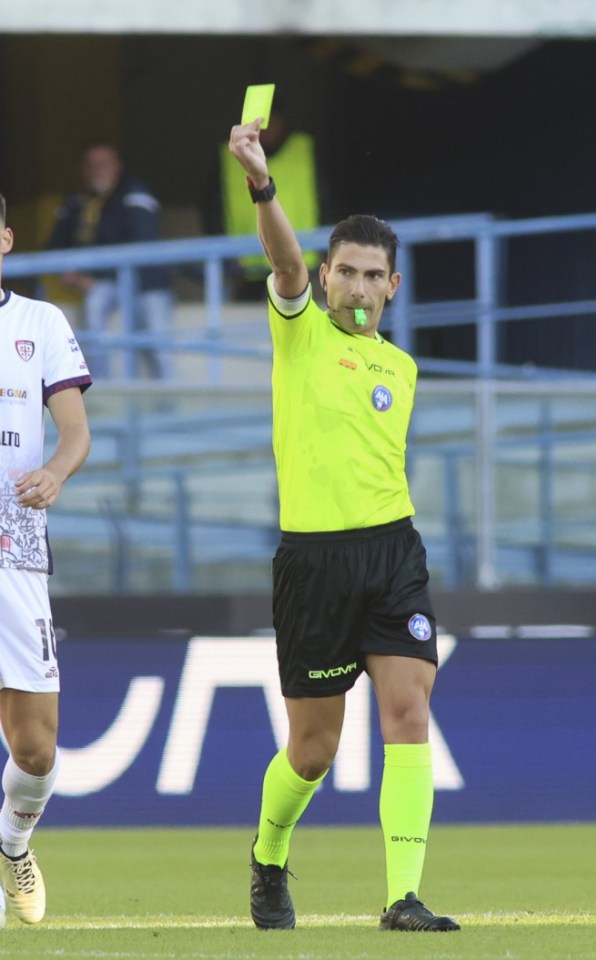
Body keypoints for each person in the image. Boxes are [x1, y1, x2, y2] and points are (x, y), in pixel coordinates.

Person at [228, 118, 460, 934]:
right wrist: (262, 183)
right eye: (346, 273)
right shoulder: (297, 334)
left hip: (393, 552)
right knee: (313, 752)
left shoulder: (402, 366)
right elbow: (281, 260)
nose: (358, 288)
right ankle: (267, 856)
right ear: (324, 278)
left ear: (392, 287)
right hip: (314, 564)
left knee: (408, 712)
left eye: (373, 277)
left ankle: (403, 897)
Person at [0, 193, 92, 924]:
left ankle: (11, 842)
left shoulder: (40, 323)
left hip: (15, 543)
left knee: (35, 749)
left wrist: (57, 473)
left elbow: (74, 432)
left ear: (4, 241)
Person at [48, 142, 173, 379]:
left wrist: (92, 278)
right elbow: (55, 243)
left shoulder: (135, 193)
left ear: (117, 167)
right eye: (91, 165)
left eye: (104, 164)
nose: (97, 170)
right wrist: (71, 272)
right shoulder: (79, 201)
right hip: (108, 284)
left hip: (148, 283)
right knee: (95, 307)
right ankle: (101, 390)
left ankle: (172, 410)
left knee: (160, 345)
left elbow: (142, 244)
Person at [204, 108, 323, 300]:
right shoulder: (227, 156)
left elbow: (328, 201)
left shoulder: (305, 148)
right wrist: (226, 255)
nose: (263, 131)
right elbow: (211, 209)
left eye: (268, 123)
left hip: (304, 268)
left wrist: (326, 250)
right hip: (246, 273)